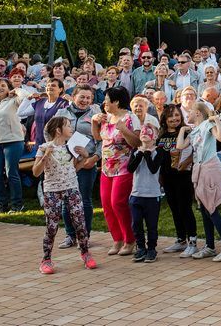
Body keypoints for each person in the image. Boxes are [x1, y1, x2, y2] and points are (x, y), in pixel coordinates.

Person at [32, 116, 97, 273]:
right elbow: (35, 172)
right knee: (52, 226)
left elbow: (75, 168)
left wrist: (84, 157)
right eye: (68, 126)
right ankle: (46, 259)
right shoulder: (44, 148)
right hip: (52, 191)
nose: (71, 128)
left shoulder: (71, 147)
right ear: (58, 130)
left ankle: (85, 253)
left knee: (80, 222)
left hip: (72, 188)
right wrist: (46, 156)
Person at [177, 101, 221, 262]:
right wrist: (182, 130)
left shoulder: (207, 125)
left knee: (211, 208)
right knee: (204, 208)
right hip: (200, 170)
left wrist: (215, 120)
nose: (187, 113)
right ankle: (210, 246)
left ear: (197, 113)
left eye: (190, 111)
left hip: (210, 168)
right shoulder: (194, 131)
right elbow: (180, 146)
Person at [91, 86, 141, 256]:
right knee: (106, 204)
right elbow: (98, 137)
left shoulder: (130, 118)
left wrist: (124, 130)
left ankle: (130, 239)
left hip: (124, 168)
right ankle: (117, 239)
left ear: (116, 101)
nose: (104, 103)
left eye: (106, 100)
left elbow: (136, 143)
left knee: (118, 203)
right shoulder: (106, 117)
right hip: (106, 168)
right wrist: (94, 123)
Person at [53, 85, 100, 249]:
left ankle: (84, 236)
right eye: (82, 97)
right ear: (73, 96)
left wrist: (95, 158)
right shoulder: (61, 113)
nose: (85, 100)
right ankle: (70, 235)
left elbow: (102, 139)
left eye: (88, 98)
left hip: (86, 162)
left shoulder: (95, 115)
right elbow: (49, 133)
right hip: (65, 163)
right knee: (66, 200)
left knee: (84, 200)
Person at [0, 78, 32, 213]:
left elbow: (26, 96)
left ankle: (17, 205)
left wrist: (16, 90)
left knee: (11, 173)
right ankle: (1, 205)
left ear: (9, 88)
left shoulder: (14, 100)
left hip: (13, 141)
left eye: (3, 85)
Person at [157, 104, 199, 256]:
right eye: (170, 116)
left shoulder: (187, 132)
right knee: (174, 208)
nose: (174, 118)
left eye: (176, 115)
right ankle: (181, 240)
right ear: (164, 118)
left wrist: (187, 161)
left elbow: (196, 150)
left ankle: (192, 241)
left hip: (183, 176)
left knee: (184, 208)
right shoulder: (161, 134)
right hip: (167, 176)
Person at [127, 129, 167, 263]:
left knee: (151, 225)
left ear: (155, 136)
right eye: (143, 131)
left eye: (149, 131)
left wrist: (148, 154)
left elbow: (153, 168)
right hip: (136, 194)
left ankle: (151, 249)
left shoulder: (159, 151)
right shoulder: (135, 151)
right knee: (136, 223)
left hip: (152, 195)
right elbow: (130, 169)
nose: (145, 132)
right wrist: (140, 154)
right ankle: (140, 247)